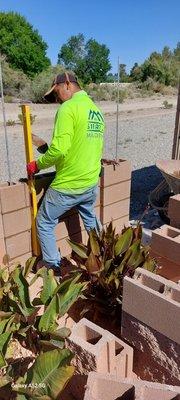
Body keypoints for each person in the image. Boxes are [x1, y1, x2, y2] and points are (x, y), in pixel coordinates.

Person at [27, 72, 105, 274]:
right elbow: (80, 147)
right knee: (89, 218)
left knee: (44, 221)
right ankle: (103, 253)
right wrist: (45, 147)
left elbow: (60, 150)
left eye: (57, 92)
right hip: (89, 183)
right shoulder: (95, 111)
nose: (57, 98)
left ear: (68, 84)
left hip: (69, 185)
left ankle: (52, 266)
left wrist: (37, 165)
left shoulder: (68, 108)